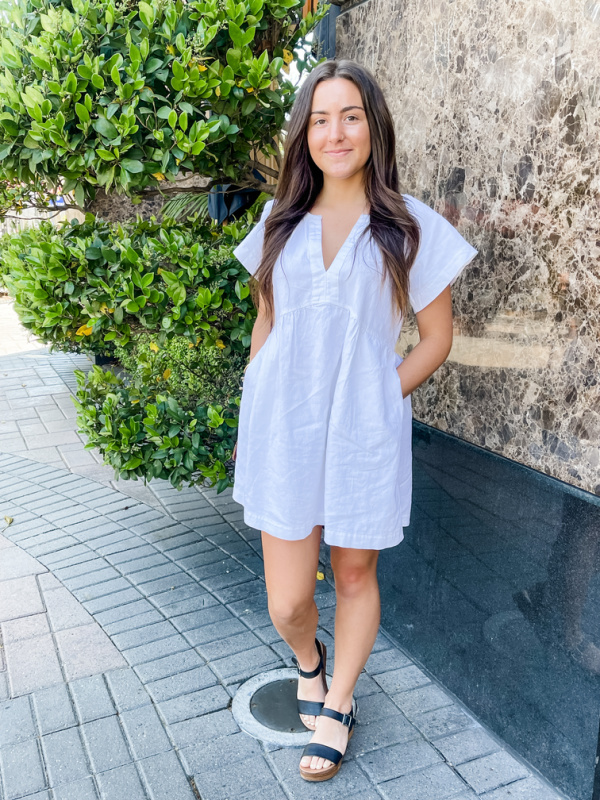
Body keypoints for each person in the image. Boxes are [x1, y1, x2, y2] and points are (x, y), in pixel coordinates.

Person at [230, 58, 478, 781]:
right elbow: (265, 332)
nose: (335, 133)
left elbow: (437, 339)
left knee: (355, 572)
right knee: (288, 599)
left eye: (351, 116)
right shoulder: (279, 223)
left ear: (373, 125)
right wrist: (253, 420)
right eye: (320, 118)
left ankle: (337, 704)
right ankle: (309, 658)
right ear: (303, 133)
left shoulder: (409, 226)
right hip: (284, 429)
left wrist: (378, 399)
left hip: (363, 436)